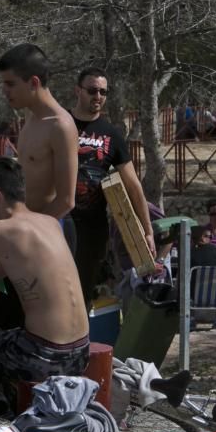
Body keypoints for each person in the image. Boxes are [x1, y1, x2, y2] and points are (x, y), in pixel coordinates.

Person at [0, 157, 90, 387]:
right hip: (80, 352)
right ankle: (9, 398)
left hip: (44, 355)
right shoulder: (49, 222)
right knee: (2, 335)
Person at [0, 44, 79, 330]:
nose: (5, 91)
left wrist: (28, 231)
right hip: (25, 233)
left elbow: (66, 200)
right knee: (5, 326)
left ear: (33, 82)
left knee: (38, 330)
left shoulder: (61, 125)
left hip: (48, 236)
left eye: (10, 84)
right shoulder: (31, 118)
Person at [68, 67, 155, 308]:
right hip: (58, 221)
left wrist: (147, 231)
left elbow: (133, 185)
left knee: (81, 294)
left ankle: (78, 344)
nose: (98, 97)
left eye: (103, 92)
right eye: (92, 90)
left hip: (91, 228)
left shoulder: (111, 134)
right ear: (78, 91)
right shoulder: (60, 123)